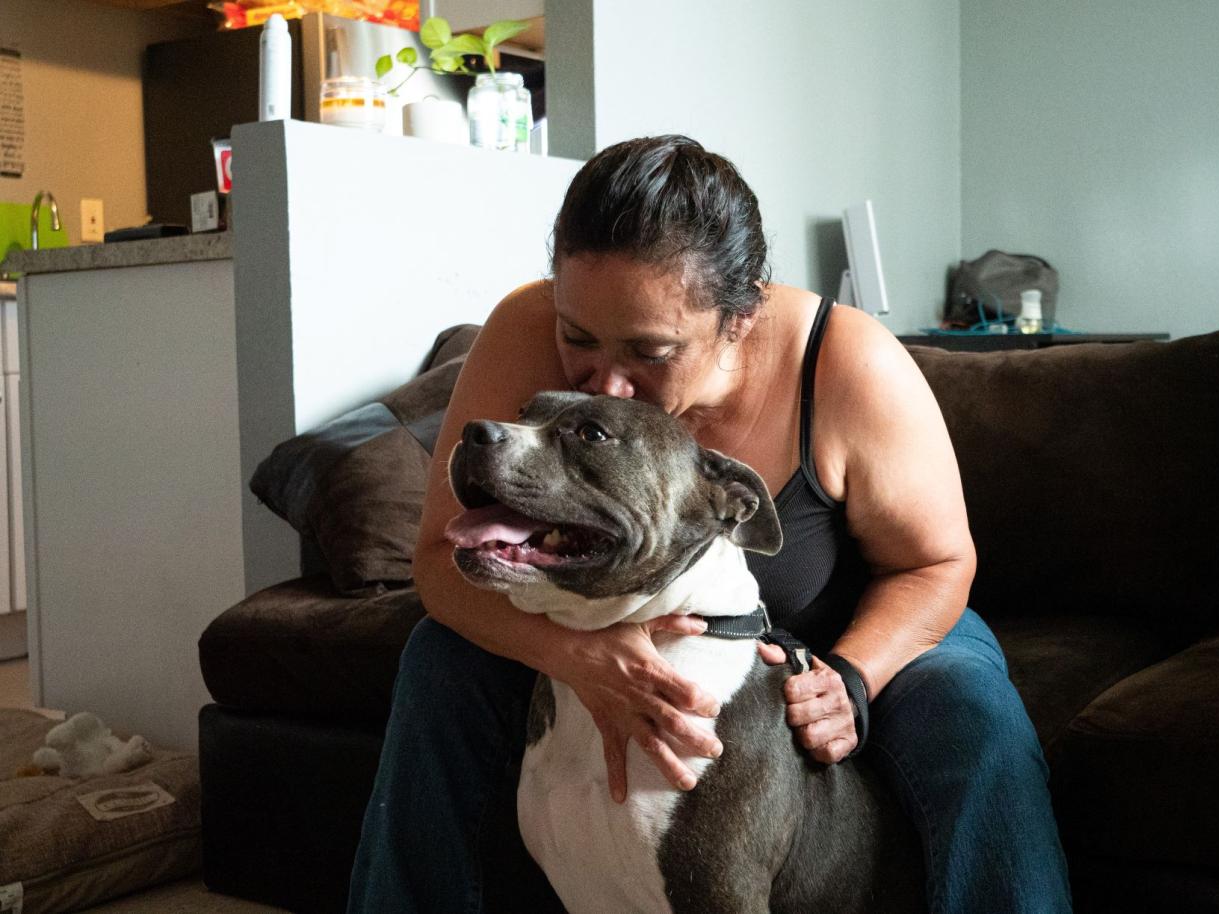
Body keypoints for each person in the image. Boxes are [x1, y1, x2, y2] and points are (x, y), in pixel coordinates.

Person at [347, 135, 1072, 914]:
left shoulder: (848, 363)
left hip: (846, 624)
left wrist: (852, 678)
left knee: (973, 713)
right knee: (440, 661)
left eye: (652, 350)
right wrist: (577, 654)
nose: (610, 384)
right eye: (579, 340)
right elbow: (436, 558)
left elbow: (936, 565)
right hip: (605, 608)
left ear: (740, 317)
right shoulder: (524, 326)